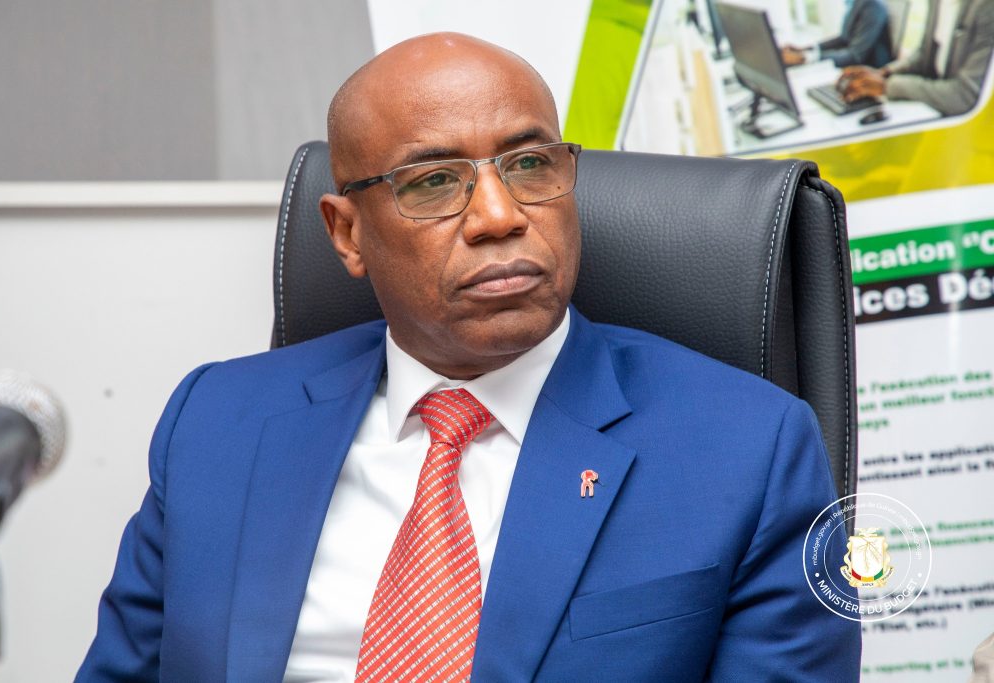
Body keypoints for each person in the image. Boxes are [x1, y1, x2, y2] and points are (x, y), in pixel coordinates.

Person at [76, 33, 861, 681]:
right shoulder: (216, 422)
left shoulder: (747, 447)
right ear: (347, 232)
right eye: (434, 182)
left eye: (530, 165)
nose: (498, 215)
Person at [840, 0, 994, 115]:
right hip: (936, 112)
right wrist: (885, 73)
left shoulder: (986, 7)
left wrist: (888, 86)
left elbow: (966, 96)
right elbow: (925, 55)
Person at [782, 0, 893, 68]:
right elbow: (844, 38)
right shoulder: (856, 2)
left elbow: (855, 56)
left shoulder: (872, 5)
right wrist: (806, 49)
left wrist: (807, 57)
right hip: (849, 66)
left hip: (867, 72)